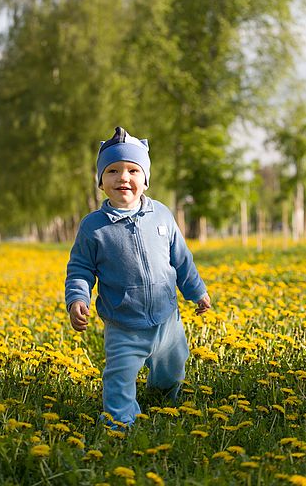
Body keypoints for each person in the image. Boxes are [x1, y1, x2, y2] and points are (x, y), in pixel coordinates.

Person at [65, 126, 211, 429]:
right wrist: (77, 298)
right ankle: (120, 424)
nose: (123, 178)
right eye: (113, 171)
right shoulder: (94, 227)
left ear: (145, 179)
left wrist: (196, 291)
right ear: (101, 182)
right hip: (123, 323)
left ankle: (161, 398)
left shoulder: (162, 215)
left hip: (167, 318)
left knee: (172, 369)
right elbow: (80, 268)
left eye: (133, 170)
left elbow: (181, 259)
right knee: (119, 375)